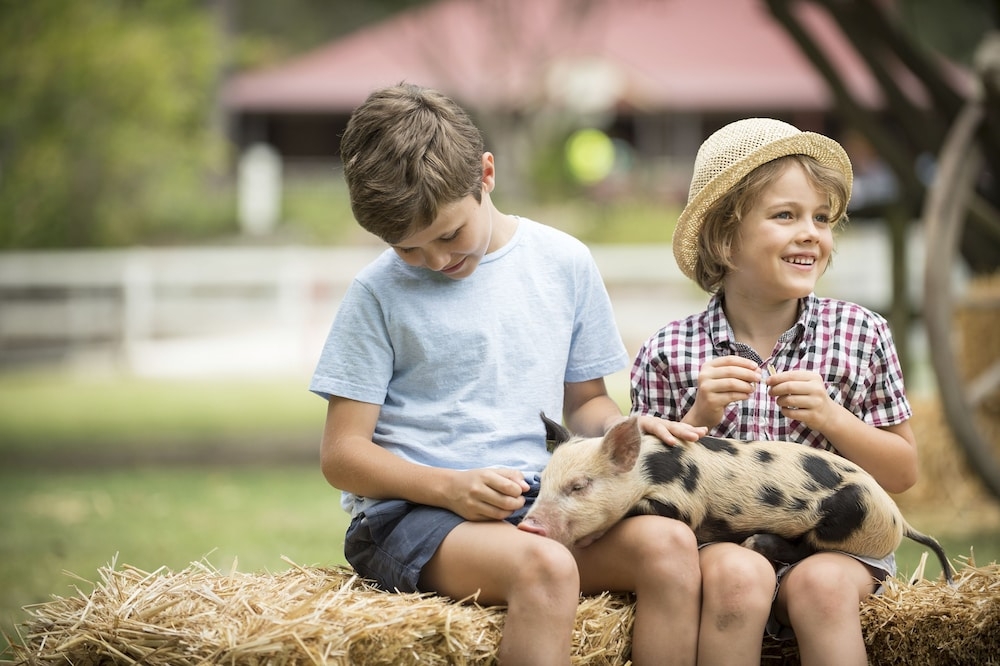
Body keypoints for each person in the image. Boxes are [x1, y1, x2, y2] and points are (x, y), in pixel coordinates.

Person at [310, 83, 705, 666]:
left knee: (671, 548)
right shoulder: (377, 293)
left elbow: (587, 403)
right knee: (547, 569)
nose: (437, 262)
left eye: (448, 235)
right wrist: (449, 487)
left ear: (485, 174)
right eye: (408, 250)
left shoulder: (564, 262)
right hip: (412, 517)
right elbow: (342, 455)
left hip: (534, 504)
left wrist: (625, 429)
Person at [630, 118, 918, 666]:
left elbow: (903, 472)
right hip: (722, 544)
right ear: (724, 238)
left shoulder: (861, 334)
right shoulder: (670, 351)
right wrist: (699, 413)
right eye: (785, 215)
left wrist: (833, 418)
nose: (811, 232)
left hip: (837, 544)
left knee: (822, 591)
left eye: (822, 218)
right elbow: (645, 496)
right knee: (739, 578)